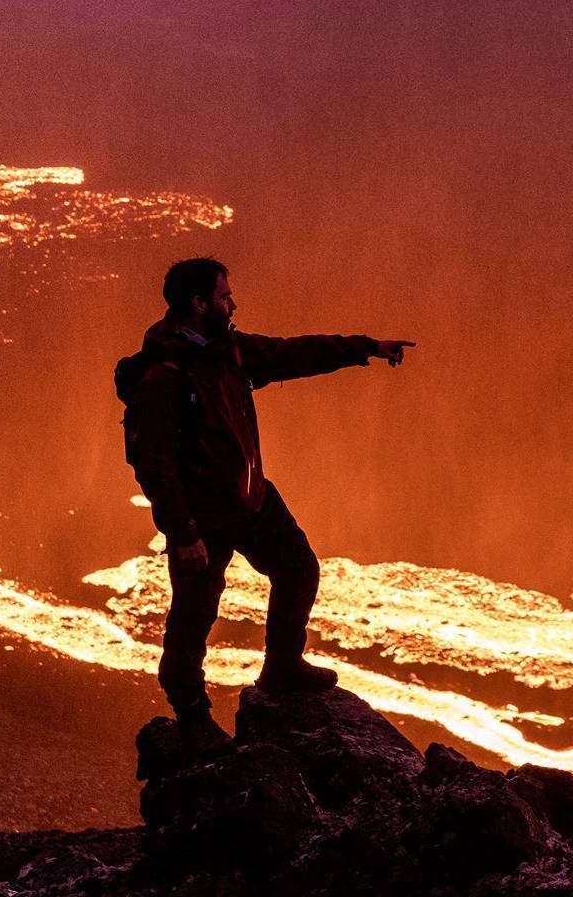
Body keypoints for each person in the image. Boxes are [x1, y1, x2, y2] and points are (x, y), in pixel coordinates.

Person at [125, 257, 413, 751]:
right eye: (223, 296)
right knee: (193, 618)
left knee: (298, 568)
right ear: (198, 305)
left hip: (250, 499)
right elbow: (154, 463)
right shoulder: (165, 375)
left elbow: (291, 355)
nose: (232, 303)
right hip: (202, 518)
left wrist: (368, 348)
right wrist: (183, 532)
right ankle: (192, 717)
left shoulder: (227, 352)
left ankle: (282, 667)